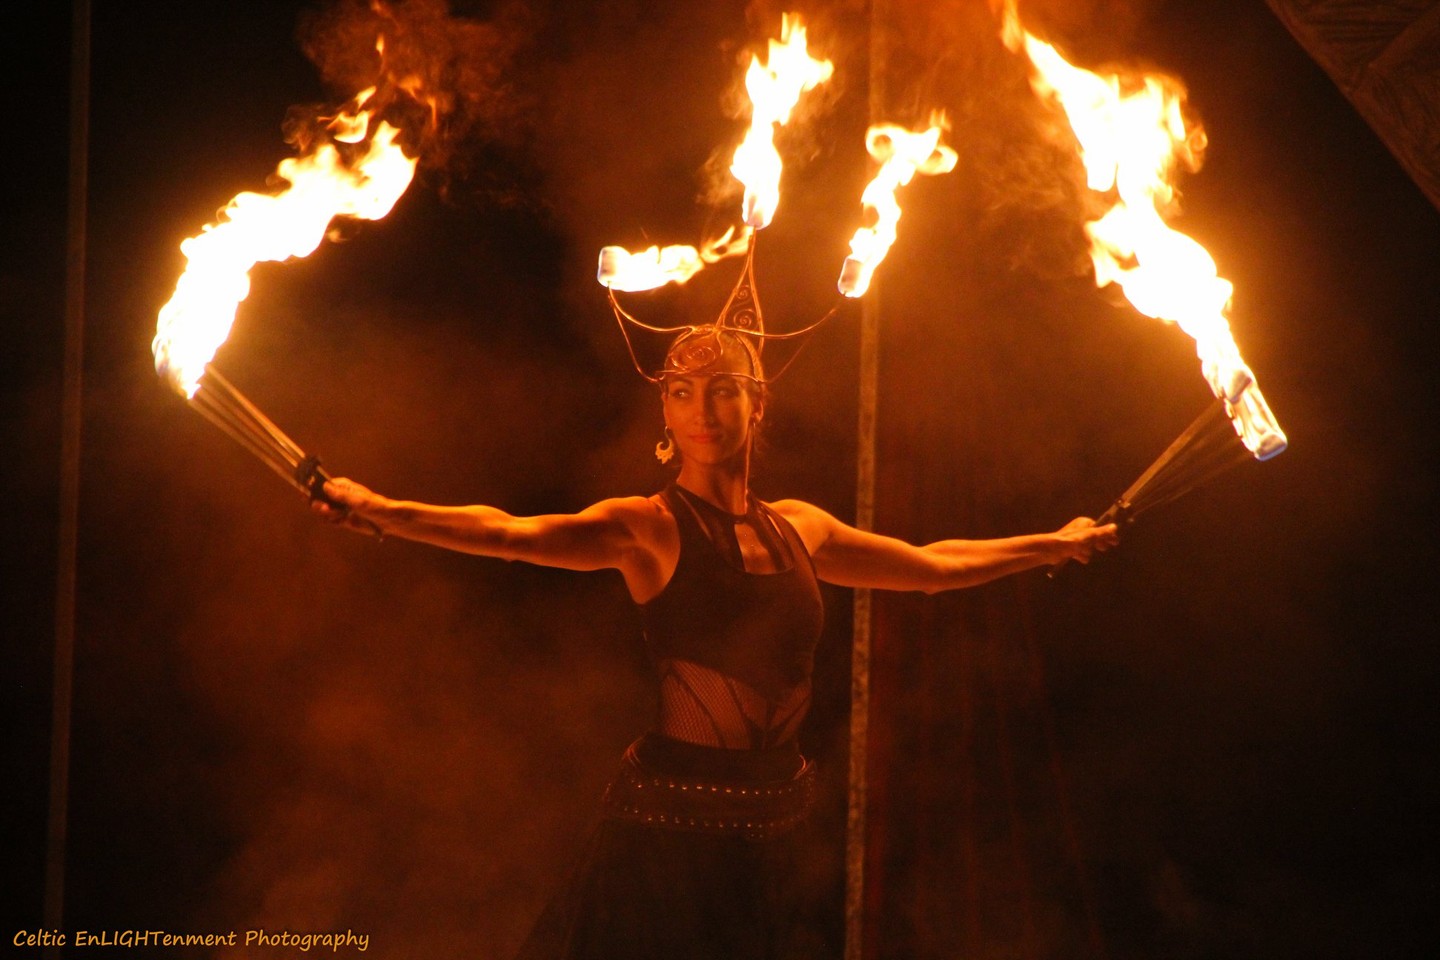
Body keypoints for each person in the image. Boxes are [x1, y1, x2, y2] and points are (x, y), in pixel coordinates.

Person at [314, 323, 1117, 958]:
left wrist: (1055, 542)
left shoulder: (803, 527)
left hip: (776, 834)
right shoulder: (647, 529)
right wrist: (377, 508)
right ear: (664, 411)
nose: (704, 410)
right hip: (667, 839)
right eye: (684, 392)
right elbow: (509, 535)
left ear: (756, 405)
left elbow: (935, 567)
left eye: (724, 390)